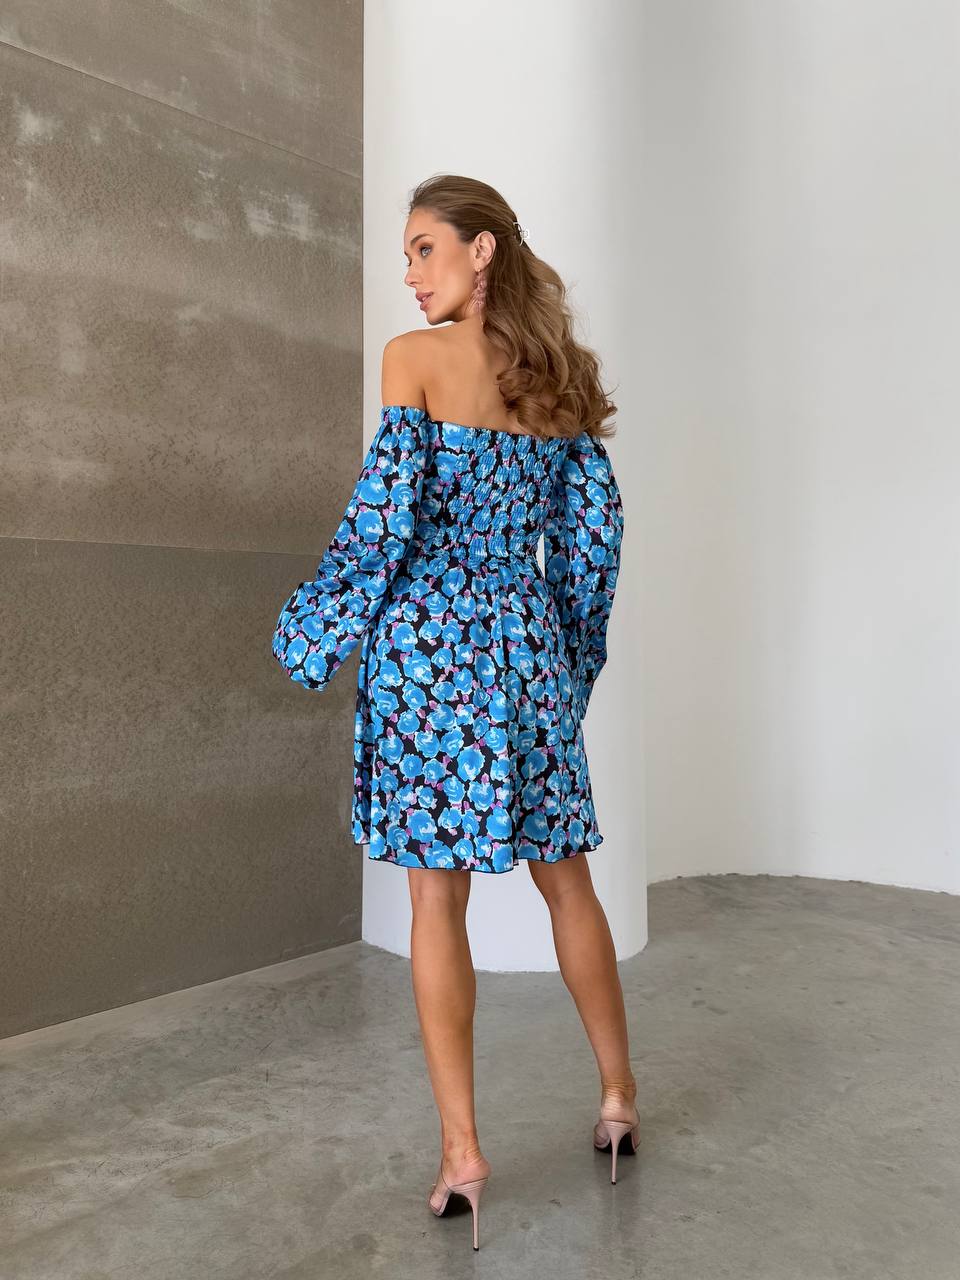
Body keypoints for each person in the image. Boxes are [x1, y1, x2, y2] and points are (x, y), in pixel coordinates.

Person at [271, 174, 637, 1251]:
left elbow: (384, 529)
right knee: (565, 876)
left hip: (429, 657)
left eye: (425, 248)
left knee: (438, 901)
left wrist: (312, 631)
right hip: (522, 650)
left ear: (481, 253)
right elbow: (593, 539)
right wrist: (570, 655)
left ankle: (464, 1151)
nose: (409, 271)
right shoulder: (555, 383)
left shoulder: (411, 361)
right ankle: (618, 1096)